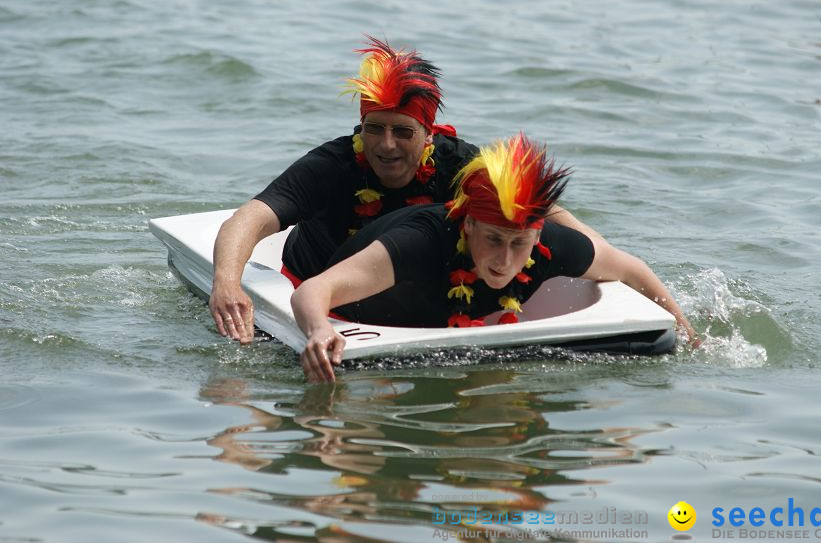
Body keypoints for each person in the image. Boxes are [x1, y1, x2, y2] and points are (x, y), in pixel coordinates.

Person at [209, 37, 606, 344]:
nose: (386, 145)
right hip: (321, 292)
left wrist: (606, 261)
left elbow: (546, 215)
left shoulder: (460, 164)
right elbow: (250, 218)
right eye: (374, 128)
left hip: (422, 297)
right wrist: (227, 283)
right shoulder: (332, 165)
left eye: (403, 131)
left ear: (428, 134)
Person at [292, 134, 699, 383]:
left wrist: (685, 332)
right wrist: (318, 331)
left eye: (519, 243)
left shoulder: (551, 246)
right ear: (467, 226)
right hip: (364, 317)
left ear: (537, 235)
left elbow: (632, 269)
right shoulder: (419, 243)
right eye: (493, 239)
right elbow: (314, 289)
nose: (505, 259)